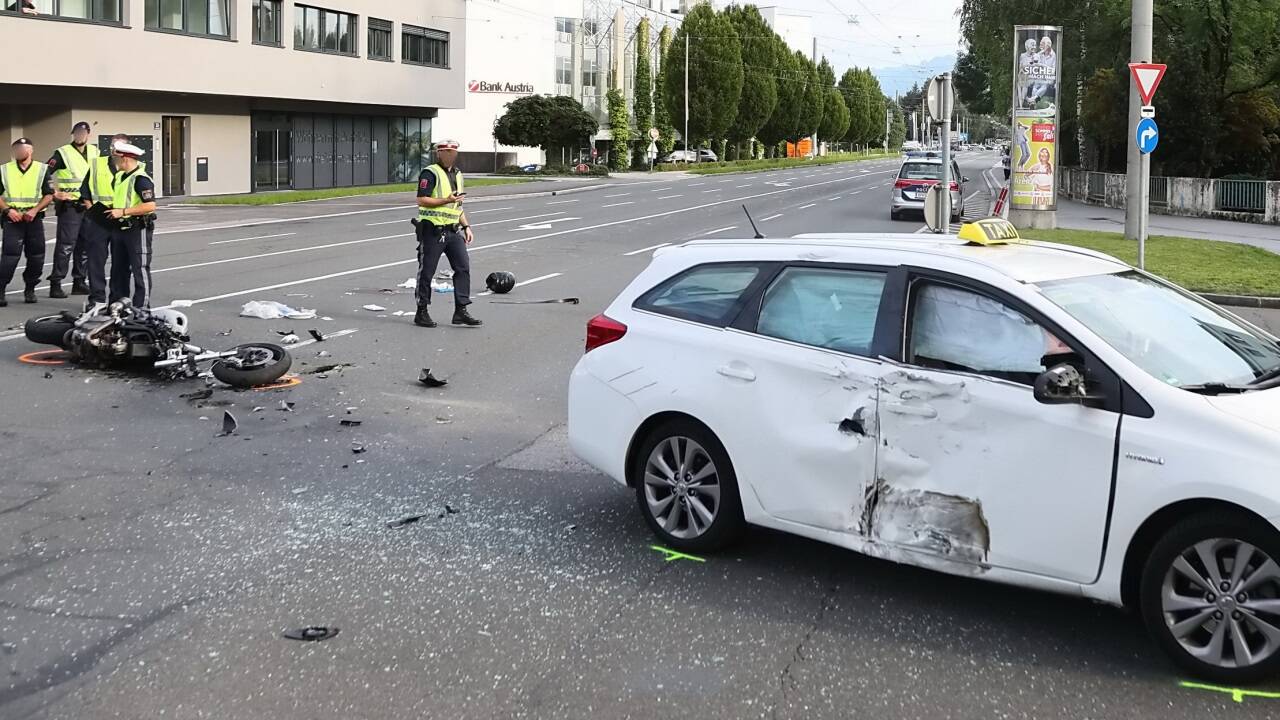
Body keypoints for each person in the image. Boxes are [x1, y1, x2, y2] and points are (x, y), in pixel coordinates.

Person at [413, 139, 481, 328]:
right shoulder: (430, 172)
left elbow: (457, 205)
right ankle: (422, 311)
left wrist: (466, 227)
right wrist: (445, 200)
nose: (450, 155)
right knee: (426, 272)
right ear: (439, 153)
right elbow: (421, 199)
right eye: (446, 152)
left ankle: (461, 310)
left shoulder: (458, 174)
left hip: (453, 231)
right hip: (433, 231)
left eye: (453, 153)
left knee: (463, 268)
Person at [47, 121, 101, 297]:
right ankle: (56, 283)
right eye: (77, 133)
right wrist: (55, 193)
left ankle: (79, 281)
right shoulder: (63, 153)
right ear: (73, 134)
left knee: (85, 246)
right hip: (70, 207)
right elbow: (43, 173)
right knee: (65, 246)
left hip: (88, 205)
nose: (80, 136)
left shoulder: (95, 151)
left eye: (83, 133)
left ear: (88, 134)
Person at [0, 138, 54, 306]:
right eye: (15, 149)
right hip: (12, 218)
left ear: (30, 151)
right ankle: (1, 289)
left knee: (36, 256)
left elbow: (49, 194)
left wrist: (35, 210)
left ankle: (30, 288)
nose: (18, 152)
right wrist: (8, 210)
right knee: (10, 256)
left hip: (34, 218)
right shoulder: (4, 170)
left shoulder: (42, 169)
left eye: (21, 149)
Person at [77, 133, 129, 306]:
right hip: (100, 218)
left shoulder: (134, 166)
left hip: (122, 218)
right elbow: (85, 189)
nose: (116, 150)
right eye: (113, 146)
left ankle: (117, 298)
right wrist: (91, 209)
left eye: (120, 147)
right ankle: (97, 298)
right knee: (96, 260)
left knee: (120, 261)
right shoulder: (97, 164)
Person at [106, 141, 157, 308]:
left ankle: (142, 308)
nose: (115, 162)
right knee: (118, 270)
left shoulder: (141, 179)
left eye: (117, 158)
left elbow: (150, 205)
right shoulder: (119, 177)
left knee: (139, 269)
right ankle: (118, 306)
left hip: (137, 228)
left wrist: (123, 211)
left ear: (125, 159)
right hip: (119, 228)